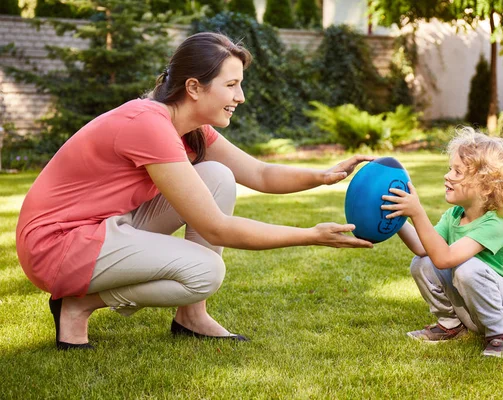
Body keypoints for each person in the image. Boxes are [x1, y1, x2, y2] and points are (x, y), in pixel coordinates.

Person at [16, 32, 374, 350]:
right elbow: (217, 227)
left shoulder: (190, 128)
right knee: (206, 271)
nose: (242, 96)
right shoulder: (148, 124)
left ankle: (191, 318)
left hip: (103, 229)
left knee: (216, 175)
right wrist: (310, 235)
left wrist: (322, 176)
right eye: (231, 85)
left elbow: (261, 174)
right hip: (57, 246)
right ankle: (78, 304)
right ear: (194, 87)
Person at [383, 128, 503, 357]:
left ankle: (502, 336)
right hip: (476, 298)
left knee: (465, 267)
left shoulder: (496, 224)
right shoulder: (454, 215)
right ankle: (451, 325)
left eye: (458, 172)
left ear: (486, 186)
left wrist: (417, 212)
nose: (448, 176)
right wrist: (396, 217)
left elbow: (445, 258)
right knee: (421, 263)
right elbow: (423, 247)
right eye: (450, 169)